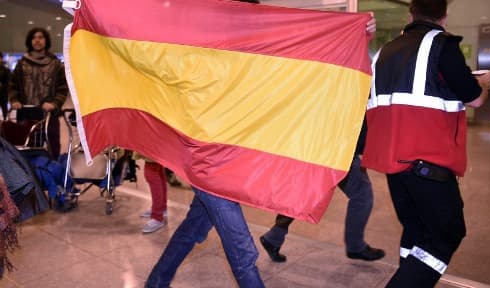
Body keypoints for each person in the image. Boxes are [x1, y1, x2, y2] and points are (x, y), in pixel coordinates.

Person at [145, 1, 377, 287]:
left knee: (193, 228)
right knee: (242, 253)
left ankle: (156, 282)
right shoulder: (197, 51)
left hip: (230, 162)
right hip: (207, 165)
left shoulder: (254, 59)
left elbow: (304, 54)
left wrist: (355, 32)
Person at [362, 0, 490, 287]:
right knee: (445, 234)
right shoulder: (442, 44)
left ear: (411, 13)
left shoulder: (385, 51)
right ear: (444, 16)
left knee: (415, 229)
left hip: (395, 164)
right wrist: (484, 82)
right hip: (428, 164)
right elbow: (474, 98)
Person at [259, 120, 385, 263]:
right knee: (361, 194)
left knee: (303, 193)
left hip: (321, 140)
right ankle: (355, 246)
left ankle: (274, 237)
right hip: (339, 144)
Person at [8, 27, 68, 159]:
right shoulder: (22, 64)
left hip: (49, 114)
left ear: (46, 40)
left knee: (53, 148)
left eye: (41, 37)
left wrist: (54, 103)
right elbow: (13, 86)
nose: (37, 40)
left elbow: (63, 88)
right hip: (26, 113)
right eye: (34, 37)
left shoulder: (56, 64)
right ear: (30, 41)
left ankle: (50, 173)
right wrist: (14, 100)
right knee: (24, 147)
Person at [134, 153, 169, 234]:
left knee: (151, 173)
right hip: (158, 144)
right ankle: (161, 208)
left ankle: (157, 216)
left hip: (154, 144)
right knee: (158, 170)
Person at [0, 52, 10, 120]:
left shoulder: (6, 70)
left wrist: (2, 85)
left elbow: (8, 82)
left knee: (4, 107)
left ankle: (5, 119)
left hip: (2, 93)